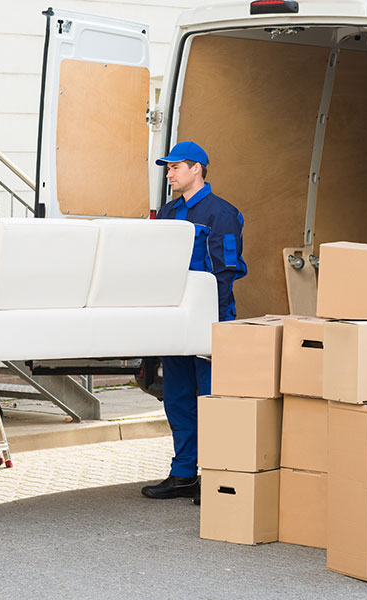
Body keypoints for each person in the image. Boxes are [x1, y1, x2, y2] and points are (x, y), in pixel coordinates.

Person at [141, 141, 247, 503]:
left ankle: (215, 475)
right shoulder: (169, 213)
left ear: (196, 169)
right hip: (175, 322)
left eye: (174, 167)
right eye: (167, 168)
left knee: (210, 399)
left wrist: (209, 323)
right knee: (178, 398)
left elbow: (226, 271)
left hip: (209, 322)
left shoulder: (222, 213)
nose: (168, 174)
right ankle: (183, 473)